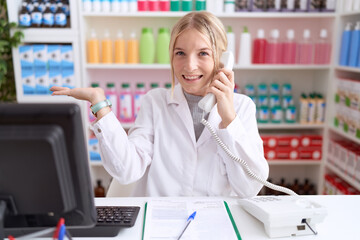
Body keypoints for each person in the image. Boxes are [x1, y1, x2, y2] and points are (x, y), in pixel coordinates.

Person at [50, 11, 269, 197]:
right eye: (180, 53)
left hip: (213, 222)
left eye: (203, 53)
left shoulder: (242, 107)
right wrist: (100, 105)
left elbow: (249, 188)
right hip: (161, 222)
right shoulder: (155, 102)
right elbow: (127, 170)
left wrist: (229, 119)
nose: (189, 66)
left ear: (222, 60)